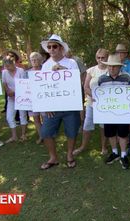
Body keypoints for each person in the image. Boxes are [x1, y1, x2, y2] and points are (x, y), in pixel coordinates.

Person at [39, 34, 81, 170]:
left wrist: (63, 70)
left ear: (61, 48)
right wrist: (46, 106)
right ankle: (53, 157)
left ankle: (69, 155)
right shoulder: (45, 66)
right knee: (45, 132)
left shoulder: (71, 63)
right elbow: (43, 87)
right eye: (49, 47)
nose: (52, 49)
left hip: (70, 106)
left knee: (72, 131)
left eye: (54, 46)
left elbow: (76, 82)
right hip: (53, 108)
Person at [98, 54, 130, 169]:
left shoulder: (127, 78)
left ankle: (123, 155)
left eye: (115, 67)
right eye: (110, 66)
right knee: (110, 133)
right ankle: (114, 153)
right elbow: (99, 96)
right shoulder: (102, 79)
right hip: (108, 113)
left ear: (119, 67)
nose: (112, 68)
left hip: (123, 112)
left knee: (122, 133)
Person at [73, 48, 109, 156]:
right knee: (87, 125)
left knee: (103, 126)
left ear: (107, 58)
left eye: (103, 57)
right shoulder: (91, 70)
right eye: (98, 57)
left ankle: (104, 147)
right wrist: (95, 96)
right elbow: (86, 87)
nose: (100, 59)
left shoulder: (110, 70)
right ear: (96, 58)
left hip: (106, 104)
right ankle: (83, 146)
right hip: (91, 103)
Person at [1, 57, 28, 143]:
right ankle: (14, 136)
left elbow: (24, 84)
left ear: (13, 64)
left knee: (22, 115)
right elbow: (4, 83)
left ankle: (24, 134)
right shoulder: (4, 72)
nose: (7, 68)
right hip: (11, 97)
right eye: (5, 66)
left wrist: (16, 92)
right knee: (9, 117)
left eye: (8, 66)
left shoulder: (21, 71)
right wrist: (8, 91)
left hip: (21, 97)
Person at [26, 52, 44, 144]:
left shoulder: (45, 70)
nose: (34, 61)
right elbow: (24, 87)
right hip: (32, 100)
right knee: (36, 119)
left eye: (36, 59)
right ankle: (41, 136)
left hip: (44, 99)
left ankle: (47, 135)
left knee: (45, 118)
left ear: (40, 61)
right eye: (32, 59)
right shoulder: (27, 73)